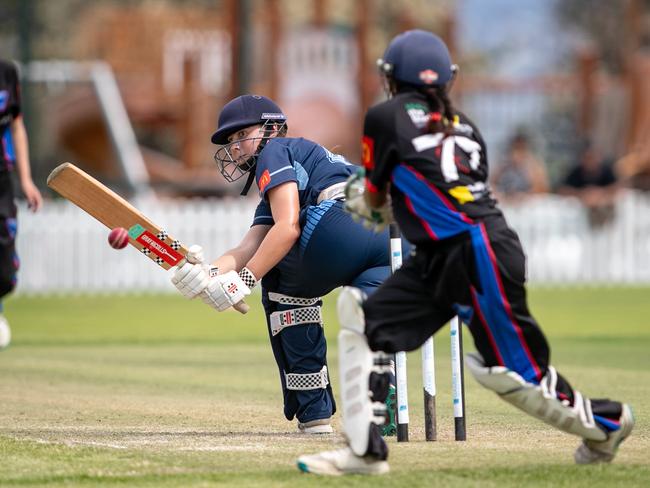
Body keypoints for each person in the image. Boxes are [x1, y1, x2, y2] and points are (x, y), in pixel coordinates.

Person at [296, 29, 634, 475]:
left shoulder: (384, 116)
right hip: (455, 251)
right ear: (446, 80)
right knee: (364, 318)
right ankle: (365, 451)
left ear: (392, 78)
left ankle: (609, 422)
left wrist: (364, 199)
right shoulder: (466, 126)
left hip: (476, 254)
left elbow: (376, 200)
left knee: (514, 377)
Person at [170, 94, 399, 434]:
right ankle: (380, 391)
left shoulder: (275, 151)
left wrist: (243, 282)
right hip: (392, 238)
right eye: (230, 141)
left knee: (279, 282)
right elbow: (250, 244)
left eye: (240, 135)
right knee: (364, 315)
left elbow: (287, 229)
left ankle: (314, 412)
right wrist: (207, 274)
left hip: (340, 223)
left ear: (271, 128)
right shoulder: (301, 167)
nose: (234, 147)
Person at [0, 59, 43, 350]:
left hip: (2, 177)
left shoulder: (7, 71)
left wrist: (25, 179)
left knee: (5, 271)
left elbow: (17, 126)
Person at [558, 140, 619, 227]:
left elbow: (618, 188)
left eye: (592, 157)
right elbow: (563, 189)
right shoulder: (576, 172)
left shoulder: (607, 170)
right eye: (587, 157)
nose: (590, 161)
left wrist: (599, 194)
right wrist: (582, 194)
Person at [491, 131, 549, 200]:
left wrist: (524, 195)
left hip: (528, 206)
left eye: (520, 148)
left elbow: (543, 190)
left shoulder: (534, 166)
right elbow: (492, 185)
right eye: (515, 148)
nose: (517, 154)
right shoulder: (504, 166)